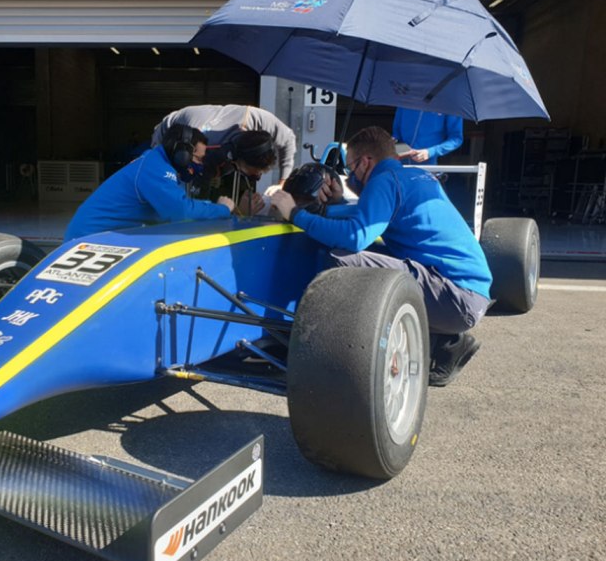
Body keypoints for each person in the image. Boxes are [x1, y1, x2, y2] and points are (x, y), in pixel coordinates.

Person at [270, 126, 492, 387]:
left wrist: (294, 213)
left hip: (456, 298)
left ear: (366, 162)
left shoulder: (384, 181)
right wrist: (337, 203)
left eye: (352, 168)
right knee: (370, 255)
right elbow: (370, 214)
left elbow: (354, 237)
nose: (351, 175)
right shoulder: (414, 176)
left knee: (343, 259)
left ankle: (328, 348)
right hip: (465, 293)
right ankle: (447, 342)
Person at [64, 124, 238, 241]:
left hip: (103, 236)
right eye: (198, 159)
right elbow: (180, 211)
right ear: (182, 154)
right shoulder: (155, 168)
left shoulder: (158, 163)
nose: (200, 165)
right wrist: (221, 209)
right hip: (88, 239)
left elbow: (170, 213)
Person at [151, 104, 297, 183]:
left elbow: (288, 138)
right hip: (166, 135)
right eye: (251, 173)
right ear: (236, 157)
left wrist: (282, 183)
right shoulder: (200, 141)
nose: (257, 176)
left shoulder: (256, 118)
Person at [392, 107, 463, 166]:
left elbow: (456, 138)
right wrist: (395, 145)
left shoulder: (449, 104)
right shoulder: (405, 100)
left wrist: (430, 152)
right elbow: (396, 134)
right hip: (401, 163)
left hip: (430, 164)